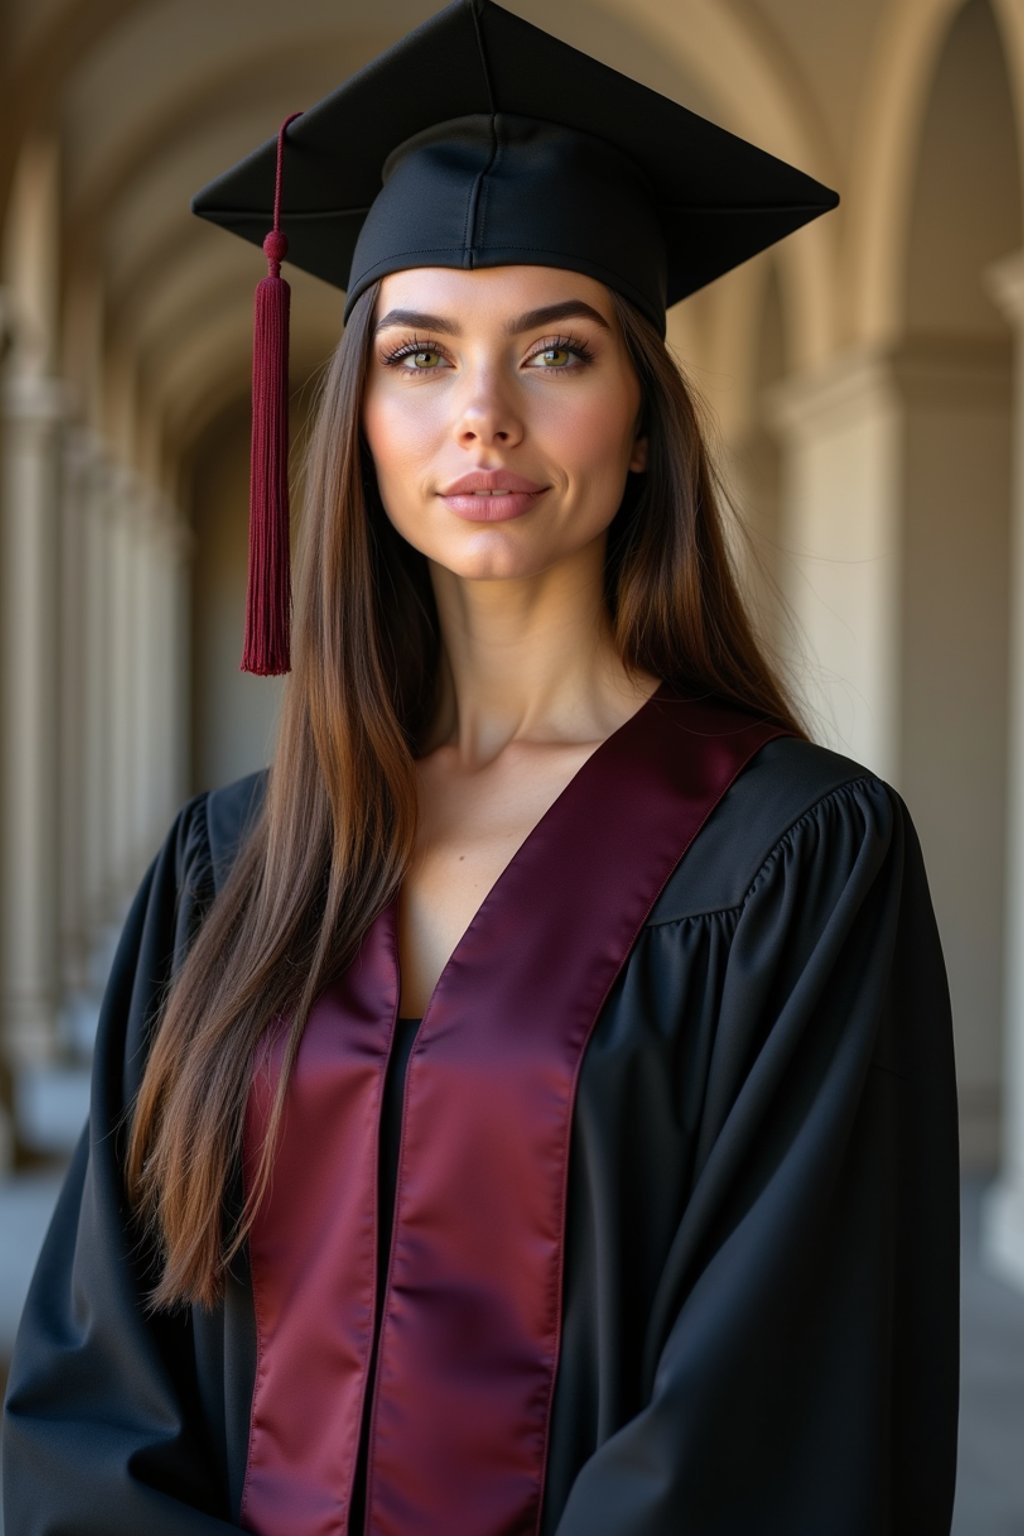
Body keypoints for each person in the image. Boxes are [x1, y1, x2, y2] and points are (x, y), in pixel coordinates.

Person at [2, 1, 959, 1533]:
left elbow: (774, 1402)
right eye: (419, 355)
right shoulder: (232, 866)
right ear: (358, 425)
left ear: (643, 419)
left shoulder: (795, 859)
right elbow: (105, 1364)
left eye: (557, 351)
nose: (482, 419)